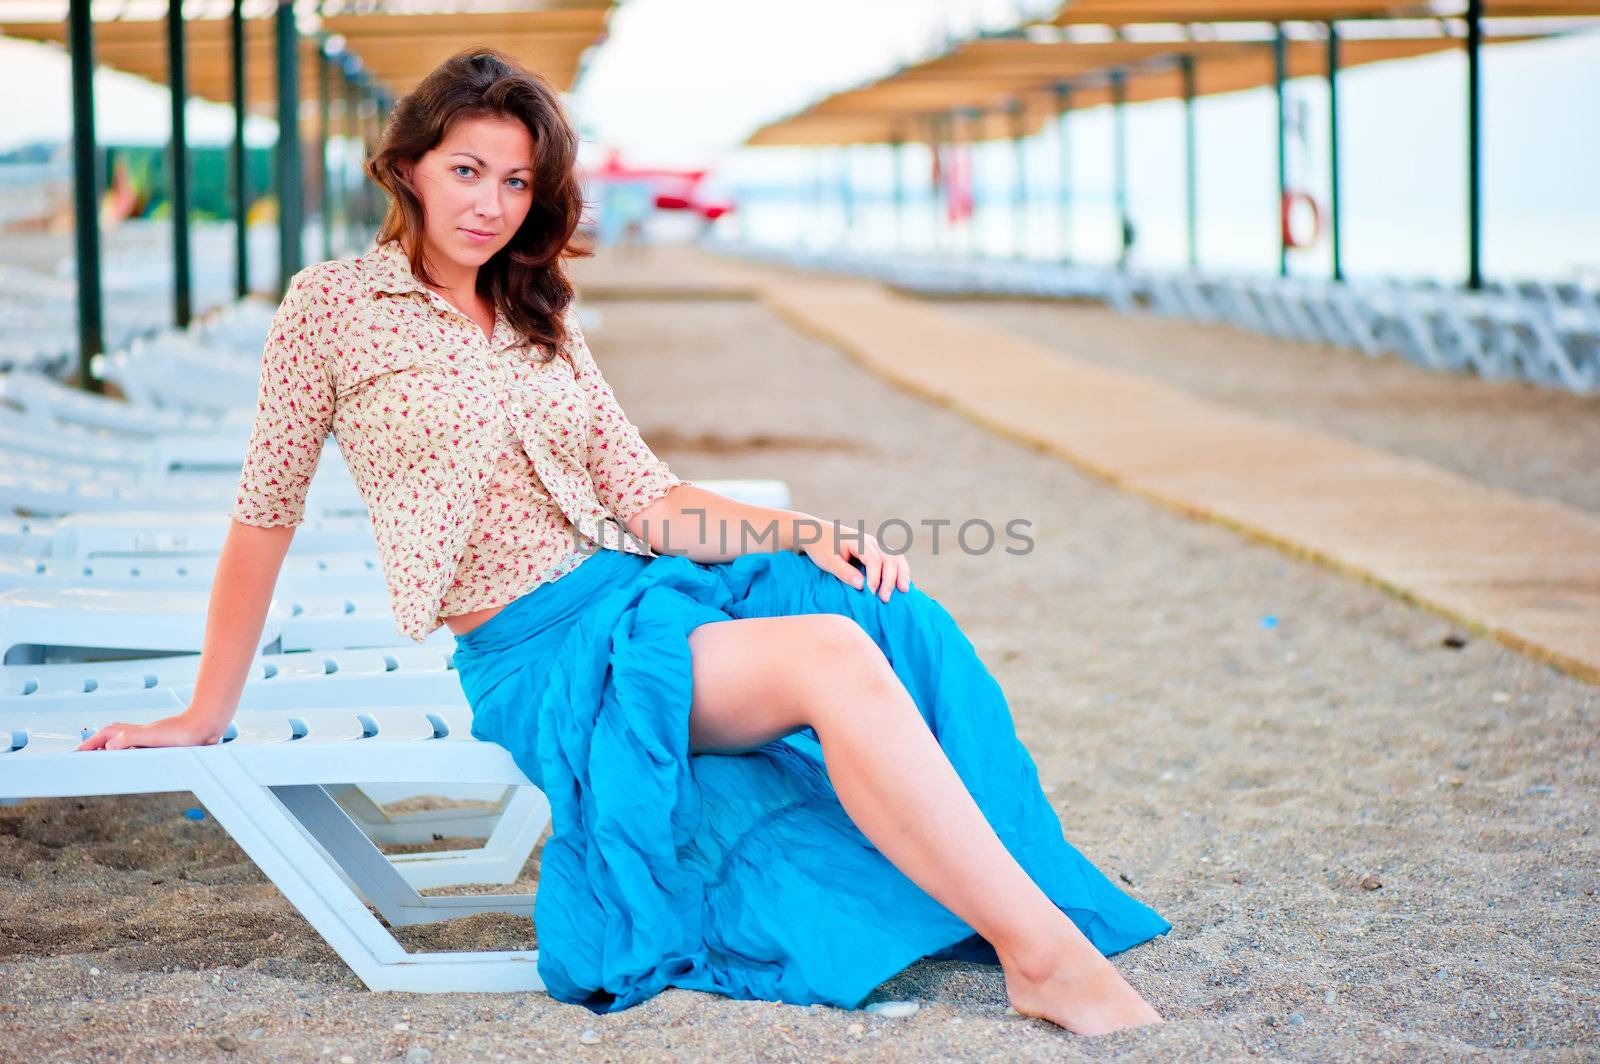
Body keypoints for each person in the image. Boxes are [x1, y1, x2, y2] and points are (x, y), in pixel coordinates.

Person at [75, 49, 1171, 1036]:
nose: (491, 205)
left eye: (515, 182)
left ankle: (1011, 890)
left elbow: (644, 496)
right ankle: (1042, 954)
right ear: (408, 166)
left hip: (636, 590)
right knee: (832, 659)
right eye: (467, 170)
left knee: (879, 608)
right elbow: (264, 511)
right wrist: (204, 709)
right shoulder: (330, 307)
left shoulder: (537, 309)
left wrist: (808, 531)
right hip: (537, 654)